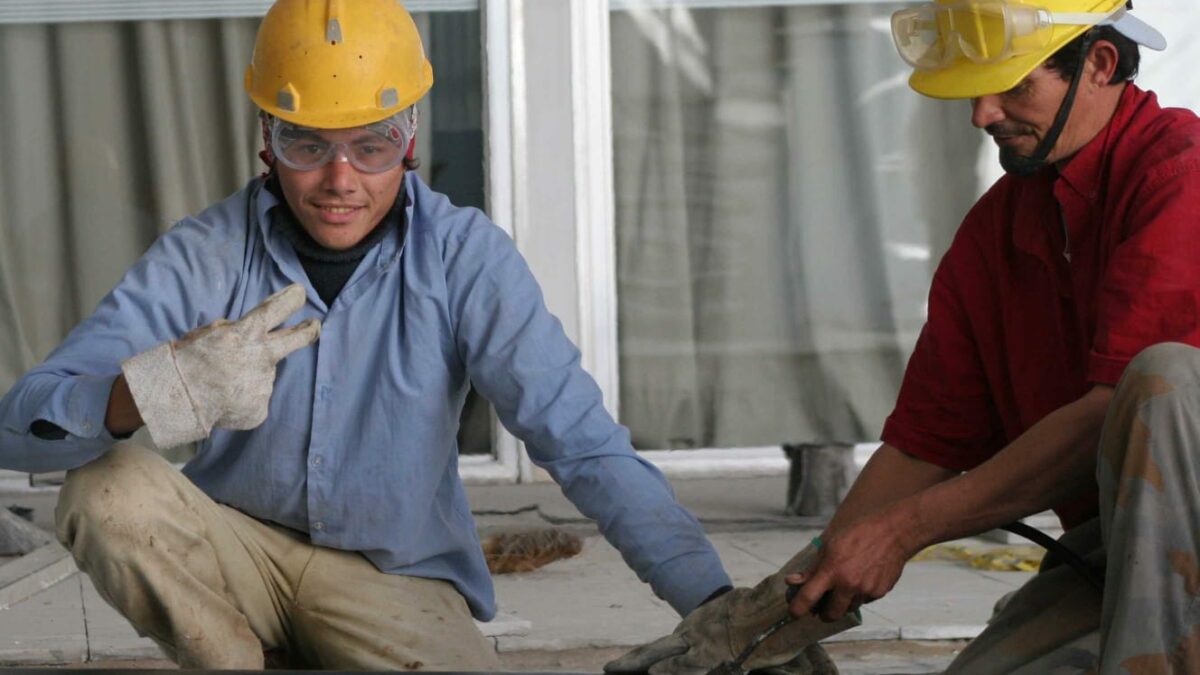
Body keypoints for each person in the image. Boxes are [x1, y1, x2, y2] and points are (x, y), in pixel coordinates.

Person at [0, 0, 738, 670]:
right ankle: (232, 659)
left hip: (395, 579)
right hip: (236, 556)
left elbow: (580, 441)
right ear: (267, 138)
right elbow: (19, 426)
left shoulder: (463, 257)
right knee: (106, 486)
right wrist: (149, 392)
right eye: (307, 144)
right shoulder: (207, 253)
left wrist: (713, 603)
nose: (340, 179)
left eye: (372, 145)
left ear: (409, 136)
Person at [609, 0, 1200, 673]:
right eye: (974, 89)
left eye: (1012, 84)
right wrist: (783, 609)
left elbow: (1108, 419)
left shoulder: (1182, 174)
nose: (982, 113)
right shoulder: (998, 231)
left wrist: (902, 531)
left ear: (1099, 64)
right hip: (1120, 551)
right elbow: (924, 443)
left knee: (1163, 377)